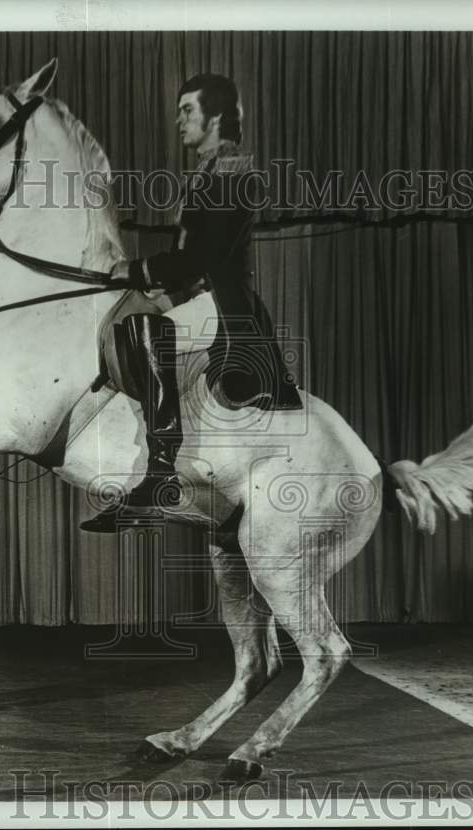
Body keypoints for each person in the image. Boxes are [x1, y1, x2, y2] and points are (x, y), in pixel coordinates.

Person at [81, 73, 302, 533]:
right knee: (134, 323)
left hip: (224, 305)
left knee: (146, 333)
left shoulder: (233, 170)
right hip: (200, 299)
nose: (178, 119)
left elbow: (202, 258)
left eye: (188, 110)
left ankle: (162, 474)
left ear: (215, 117)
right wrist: (153, 285)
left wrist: (139, 271)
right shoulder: (206, 171)